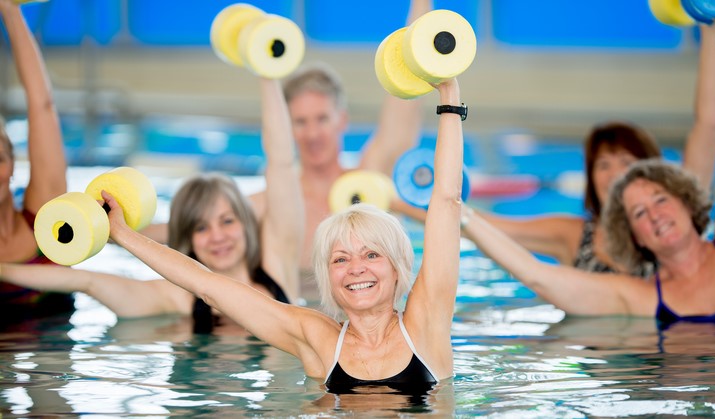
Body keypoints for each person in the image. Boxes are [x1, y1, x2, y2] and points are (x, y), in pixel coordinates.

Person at [97, 78, 464, 394]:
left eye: (371, 255)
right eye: (340, 258)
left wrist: (449, 94)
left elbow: (446, 201)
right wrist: (123, 234)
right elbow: (207, 285)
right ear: (327, 278)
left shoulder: (426, 322)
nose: (356, 269)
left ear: (398, 267)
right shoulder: (316, 339)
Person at [0, 76, 304, 334]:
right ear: (187, 239)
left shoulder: (278, 267)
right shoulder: (177, 298)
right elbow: (85, 280)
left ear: (247, 225)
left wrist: (269, 74)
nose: (217, 236)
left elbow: (282, 164)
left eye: (227, 221)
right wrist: (4, 271)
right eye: (201, 226)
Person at [464, 23, 715, 276]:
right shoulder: (574, 237)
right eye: (603, 165)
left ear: (651, 170)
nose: (615, 174)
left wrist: (710, 27)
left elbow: (708, 126)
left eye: (626, 161)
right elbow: (479, 226)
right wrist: (431, 200)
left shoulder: (676, 223)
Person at [247, 0, 431, 293]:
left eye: (322, 119)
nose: (312, 134)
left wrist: (422, 6)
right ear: (285, 128)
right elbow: (190, 229)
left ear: (341, 120)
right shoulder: (268, 204)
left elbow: (402, 110)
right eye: (300, 121)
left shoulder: (370, 182)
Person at [460, 156, 715, 330]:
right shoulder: (642, 297)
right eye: (639, 213)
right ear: (635, 237)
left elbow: (709, 122)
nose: (656, 216)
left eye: (661, 200)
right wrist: (457, 210)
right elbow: (537, 275)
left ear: (686, 202)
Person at [0, 0, 72, 323]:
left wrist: (9, 10)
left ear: (12, 164)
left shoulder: (45, 220)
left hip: (62, 370)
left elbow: (42, 106)